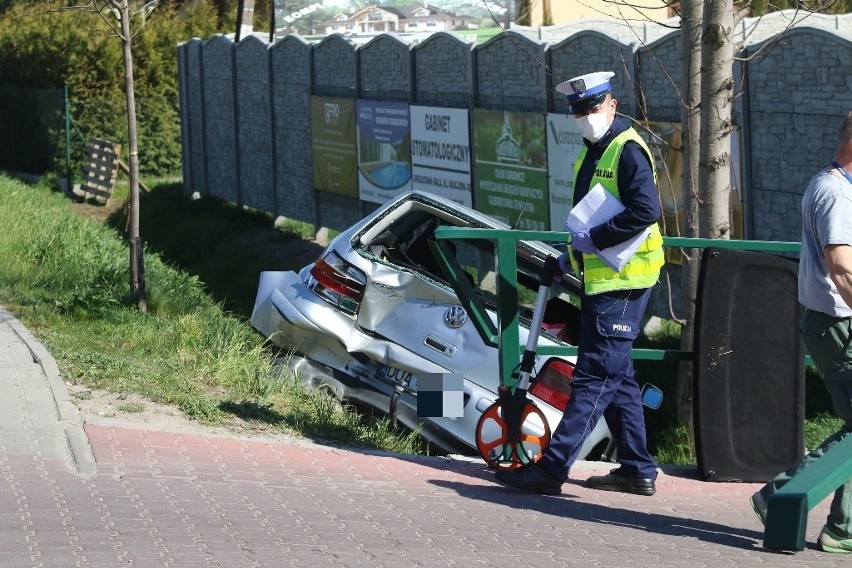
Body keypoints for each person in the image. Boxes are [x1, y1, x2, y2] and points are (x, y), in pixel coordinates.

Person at [495, 71, 665, 496]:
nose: (586, 116)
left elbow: (646, 211)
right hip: (602, 279)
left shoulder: (626, 150)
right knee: (618, 376)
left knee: (593, 378)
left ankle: (552, 470)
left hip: (623, 283)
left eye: (592, 107)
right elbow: (589, 219)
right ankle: (637, 468)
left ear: (612, 104)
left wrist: (594, 242)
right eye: (578, 111)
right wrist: (567, 258)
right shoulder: (596, 149)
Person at [750, 111, 852, 553]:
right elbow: (842, 266)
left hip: (833, 319)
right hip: (839, 322)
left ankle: (842, 528)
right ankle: (780, 497)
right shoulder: (834, 193)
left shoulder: (832, 186)